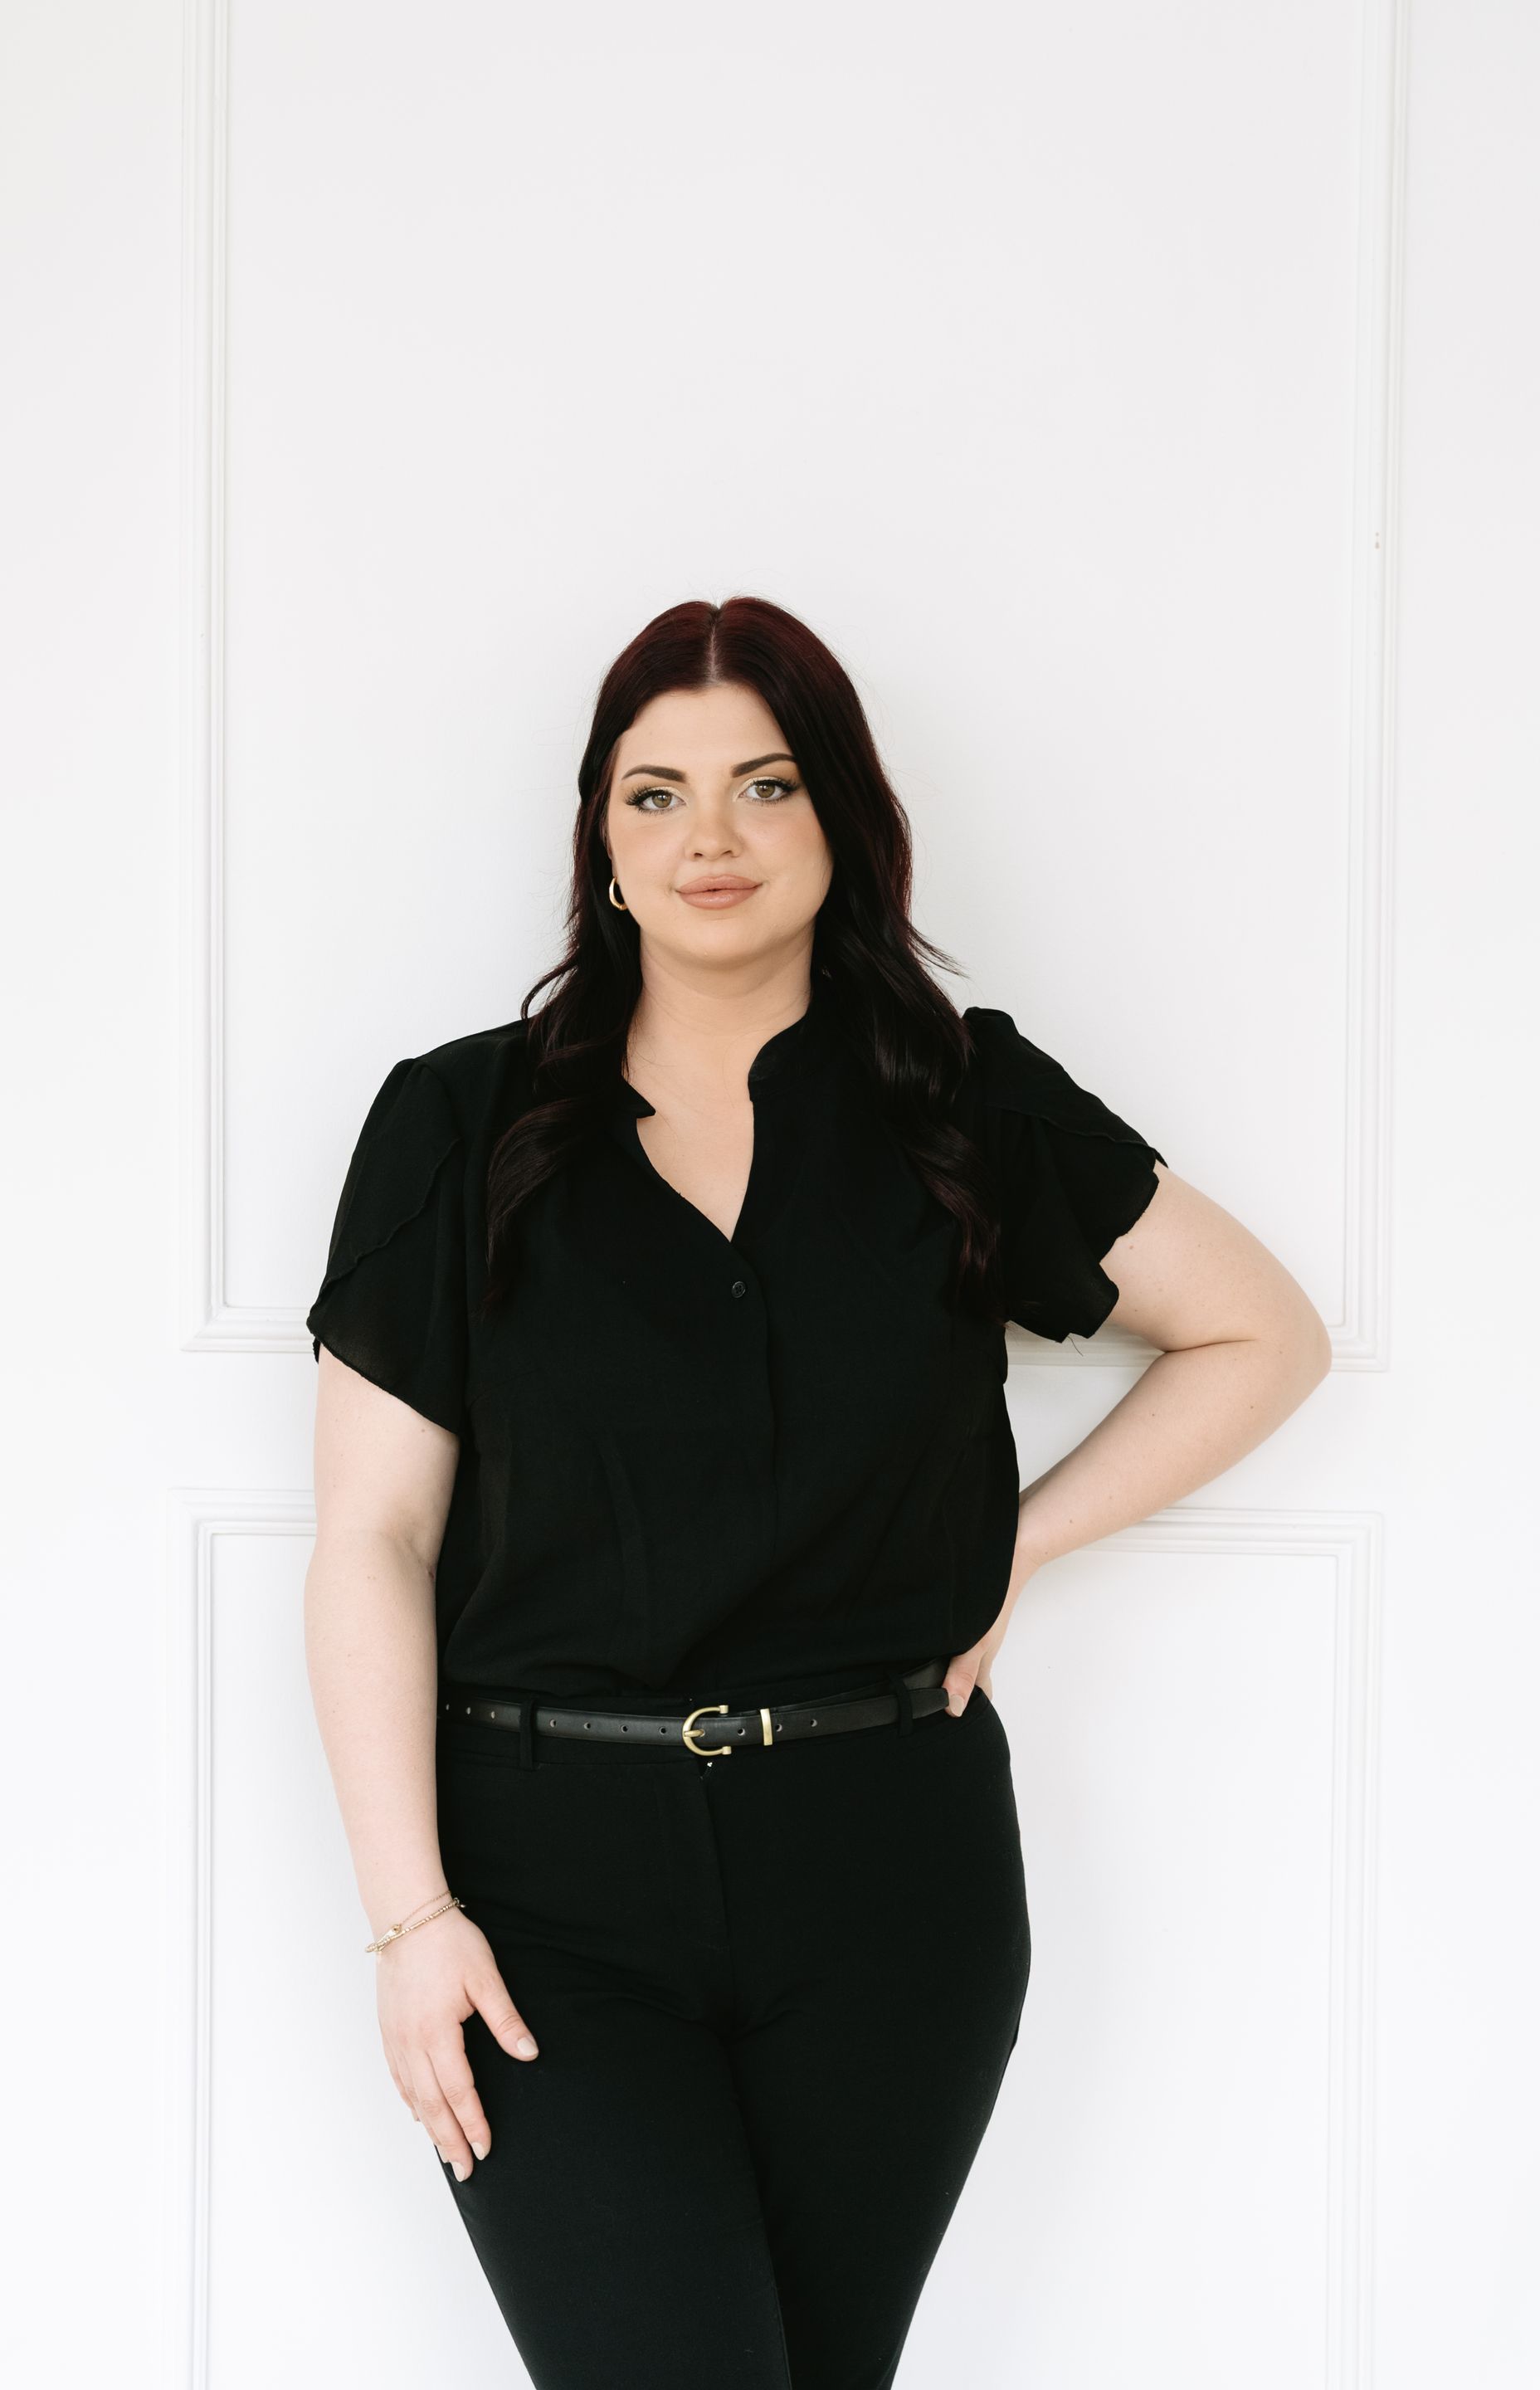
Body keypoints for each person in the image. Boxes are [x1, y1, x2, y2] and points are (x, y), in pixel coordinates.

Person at [304, 595, 1331, 2390]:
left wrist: (1008, 1547)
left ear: (842, 825)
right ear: (600, 845)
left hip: (892, 1876)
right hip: (549, 1888)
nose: (710, 837)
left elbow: (1260, 1335)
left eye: (766, 786)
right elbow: (372, 1539)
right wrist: (411, 1918)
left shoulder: (961, 1104)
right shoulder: (458, 1130)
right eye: (656, 794)